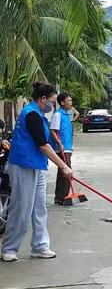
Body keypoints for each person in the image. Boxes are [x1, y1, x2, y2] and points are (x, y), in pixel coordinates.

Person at [1, 81, 73, 262]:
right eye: (53, 101)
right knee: (22, 208)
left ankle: (40, 246)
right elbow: (43, 145)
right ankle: (9, 248)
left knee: (40, 208)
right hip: (23, 165)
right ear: (43, 99)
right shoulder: (31, 114)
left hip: (37, 166)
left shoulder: (39, 115)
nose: (53, 105)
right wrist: (63, 166)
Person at [50, 92, 74, 205]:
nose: (71, 103)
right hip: (62, 149)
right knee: (66, 172)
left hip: (68, 148)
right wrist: (59, 143)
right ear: (62, 102)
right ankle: (62, 197)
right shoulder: (57, 115)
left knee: (63, 173)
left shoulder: (66, 115)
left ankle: (60, 197)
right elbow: (53, 130)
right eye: (68, 101)